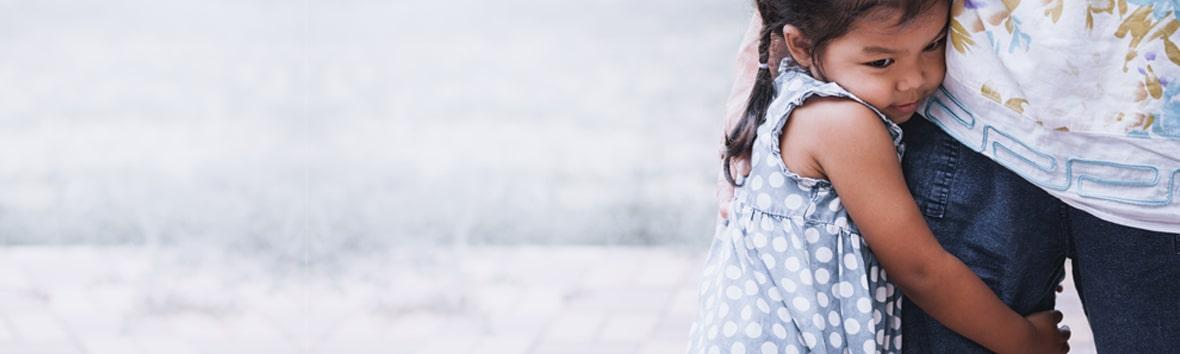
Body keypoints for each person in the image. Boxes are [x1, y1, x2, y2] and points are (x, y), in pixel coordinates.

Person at [722, 0, 1180, 352]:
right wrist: (1023, 342)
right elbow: (921, 270)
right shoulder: (842, 123)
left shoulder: (817, 96)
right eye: (881, 62)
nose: (915, 80)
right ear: (800, 45)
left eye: (934, 45)